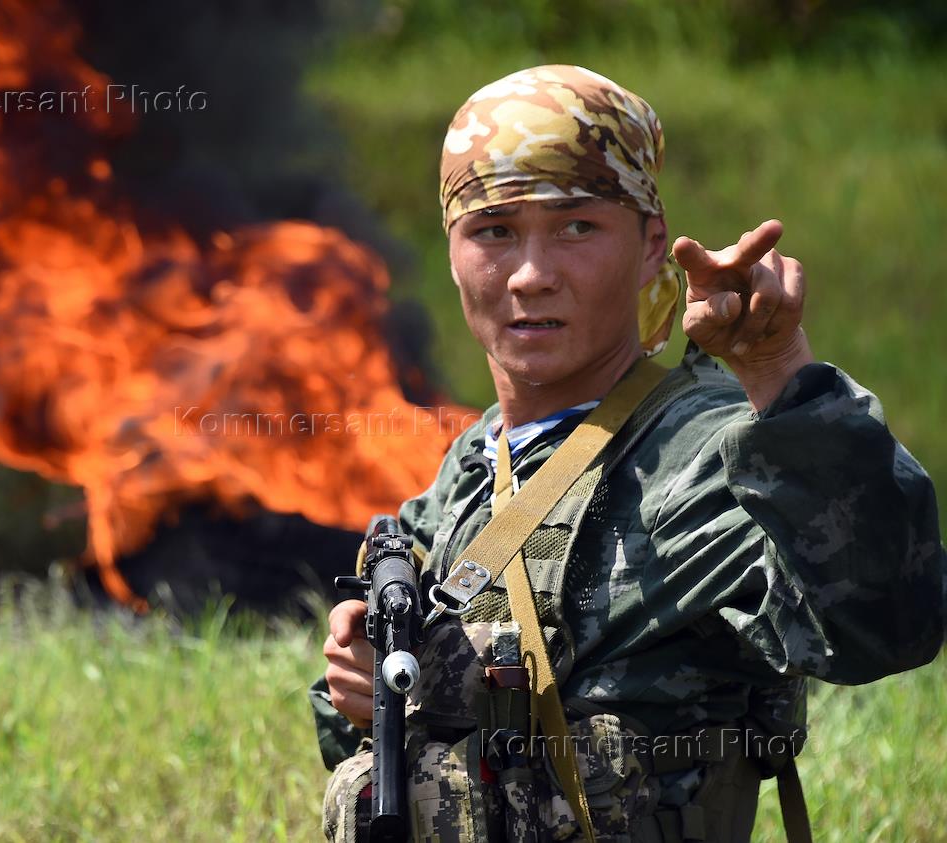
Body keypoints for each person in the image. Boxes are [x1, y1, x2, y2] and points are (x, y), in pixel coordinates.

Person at [311, 64, 946, 842]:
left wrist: (781, 376)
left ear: (651, 246)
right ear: (451, 251)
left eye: (577, 227)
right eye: (494, 230)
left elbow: (886, 621)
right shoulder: (476, 463)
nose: (533, 275)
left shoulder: (695, 455)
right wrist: (364, 681)